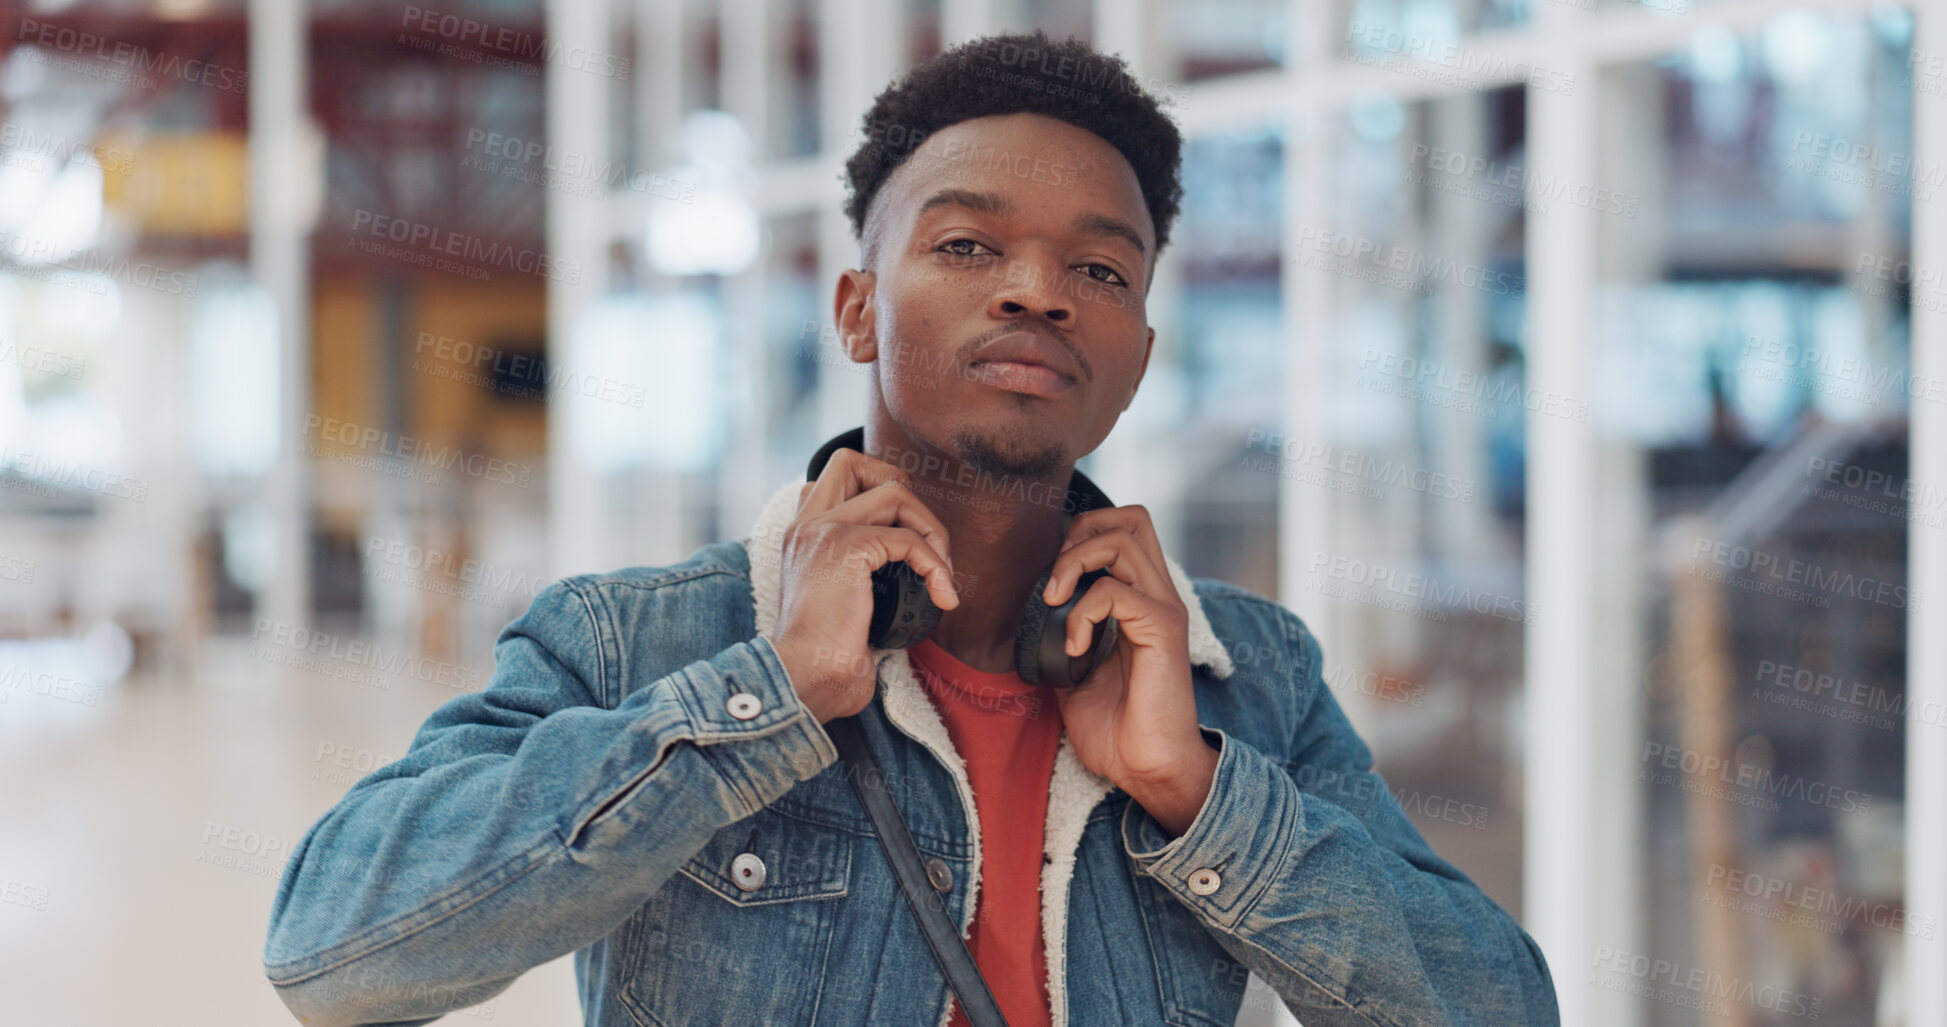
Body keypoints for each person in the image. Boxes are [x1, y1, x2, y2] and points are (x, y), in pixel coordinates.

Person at [264, 30, 1560, 1027]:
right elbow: (335, 947)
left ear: (1141, 350)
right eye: (966, 245)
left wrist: (1199, 791)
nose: (1040, 292)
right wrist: (764, 700)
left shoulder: (1244, 675)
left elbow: (1499, 1003)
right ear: (858, 312)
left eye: (1101, 270)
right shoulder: (641, 639)